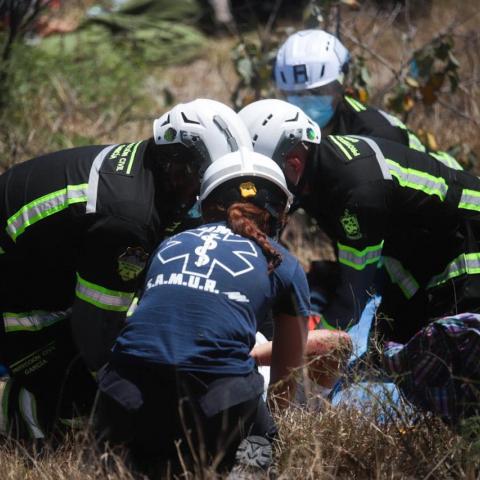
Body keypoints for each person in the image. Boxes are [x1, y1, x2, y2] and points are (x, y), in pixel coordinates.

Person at [0, 98, 254, 440]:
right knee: (91, 400)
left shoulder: (151, 174)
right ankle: (23, 412)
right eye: (203, 179)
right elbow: (95, 326)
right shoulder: (127, 216)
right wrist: (122, 391)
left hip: (39, 267)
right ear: (176, 164)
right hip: (16, 288)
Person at [239, 99, 480, 421]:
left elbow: (350, 303)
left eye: (265, 179)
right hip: (416, 249)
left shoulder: (356, 192)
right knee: (394, 351)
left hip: (466, 240)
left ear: (294, 162)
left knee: (455, 370)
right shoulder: (313, 168)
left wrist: (302, 358)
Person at [95, 147, 309, 475]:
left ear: (206, 205)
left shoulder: (168, 245)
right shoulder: (282, 262)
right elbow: (287, 375)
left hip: (121, 396)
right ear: (278, 212)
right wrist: (270, 425)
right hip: (218, 405)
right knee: (265, 444)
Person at [274, 29, 463, 170]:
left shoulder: (378, 133)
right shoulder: (282, 134)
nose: (305, 102)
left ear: (341, 85)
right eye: (295, 94)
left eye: (319, 91)